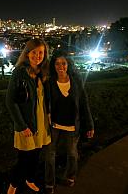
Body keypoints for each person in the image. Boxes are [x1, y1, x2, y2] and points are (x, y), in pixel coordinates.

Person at [45, 50, 94, 194]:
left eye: (64, 63)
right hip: (53, 125)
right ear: (53, 65)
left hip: (72, 126)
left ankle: (70, 175)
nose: (61, 66)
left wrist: (90, 124)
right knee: (49, 155)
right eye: (57, 63)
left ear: (68, 65)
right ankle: (49, 182)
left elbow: (84, 102)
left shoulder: (76, 81)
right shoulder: (50, 82)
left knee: (72, 153)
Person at [6, 38, 51, 194]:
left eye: (41, 53)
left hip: (41, 122)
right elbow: (10, 102)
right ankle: (13, 186)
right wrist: (22, 126)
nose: (37, 56)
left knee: (36, 156)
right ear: (27, 53)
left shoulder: (43, 73)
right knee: (24, 160)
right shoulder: (19, 72)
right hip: (27, 124)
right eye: (34, 52)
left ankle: (29, 179)